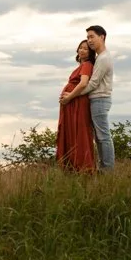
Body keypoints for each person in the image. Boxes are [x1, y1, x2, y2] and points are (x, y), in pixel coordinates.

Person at [61, 25, 115, 171]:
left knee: (103, 136)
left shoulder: (103, 58)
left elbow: (92, 84)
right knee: (99, 137)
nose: (89, 40)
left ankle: (107, 170)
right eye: (88, 37)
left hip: (100, 99)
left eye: (92, 37)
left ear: (102, 37)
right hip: (97, 99)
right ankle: (102, 168)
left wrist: (71, 96)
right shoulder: (99, 58)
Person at [55, 39, 97, 173]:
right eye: (81, 47)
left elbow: (83, 83)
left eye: (86, 49)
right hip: (73, 102)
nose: (82, 50)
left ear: (90, 52)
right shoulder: (83, 65)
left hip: (77, 102)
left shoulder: (87, 65)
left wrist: (69, 97)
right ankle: (72, 165)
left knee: (78, 131)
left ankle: (82, 167)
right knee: (71, 131)